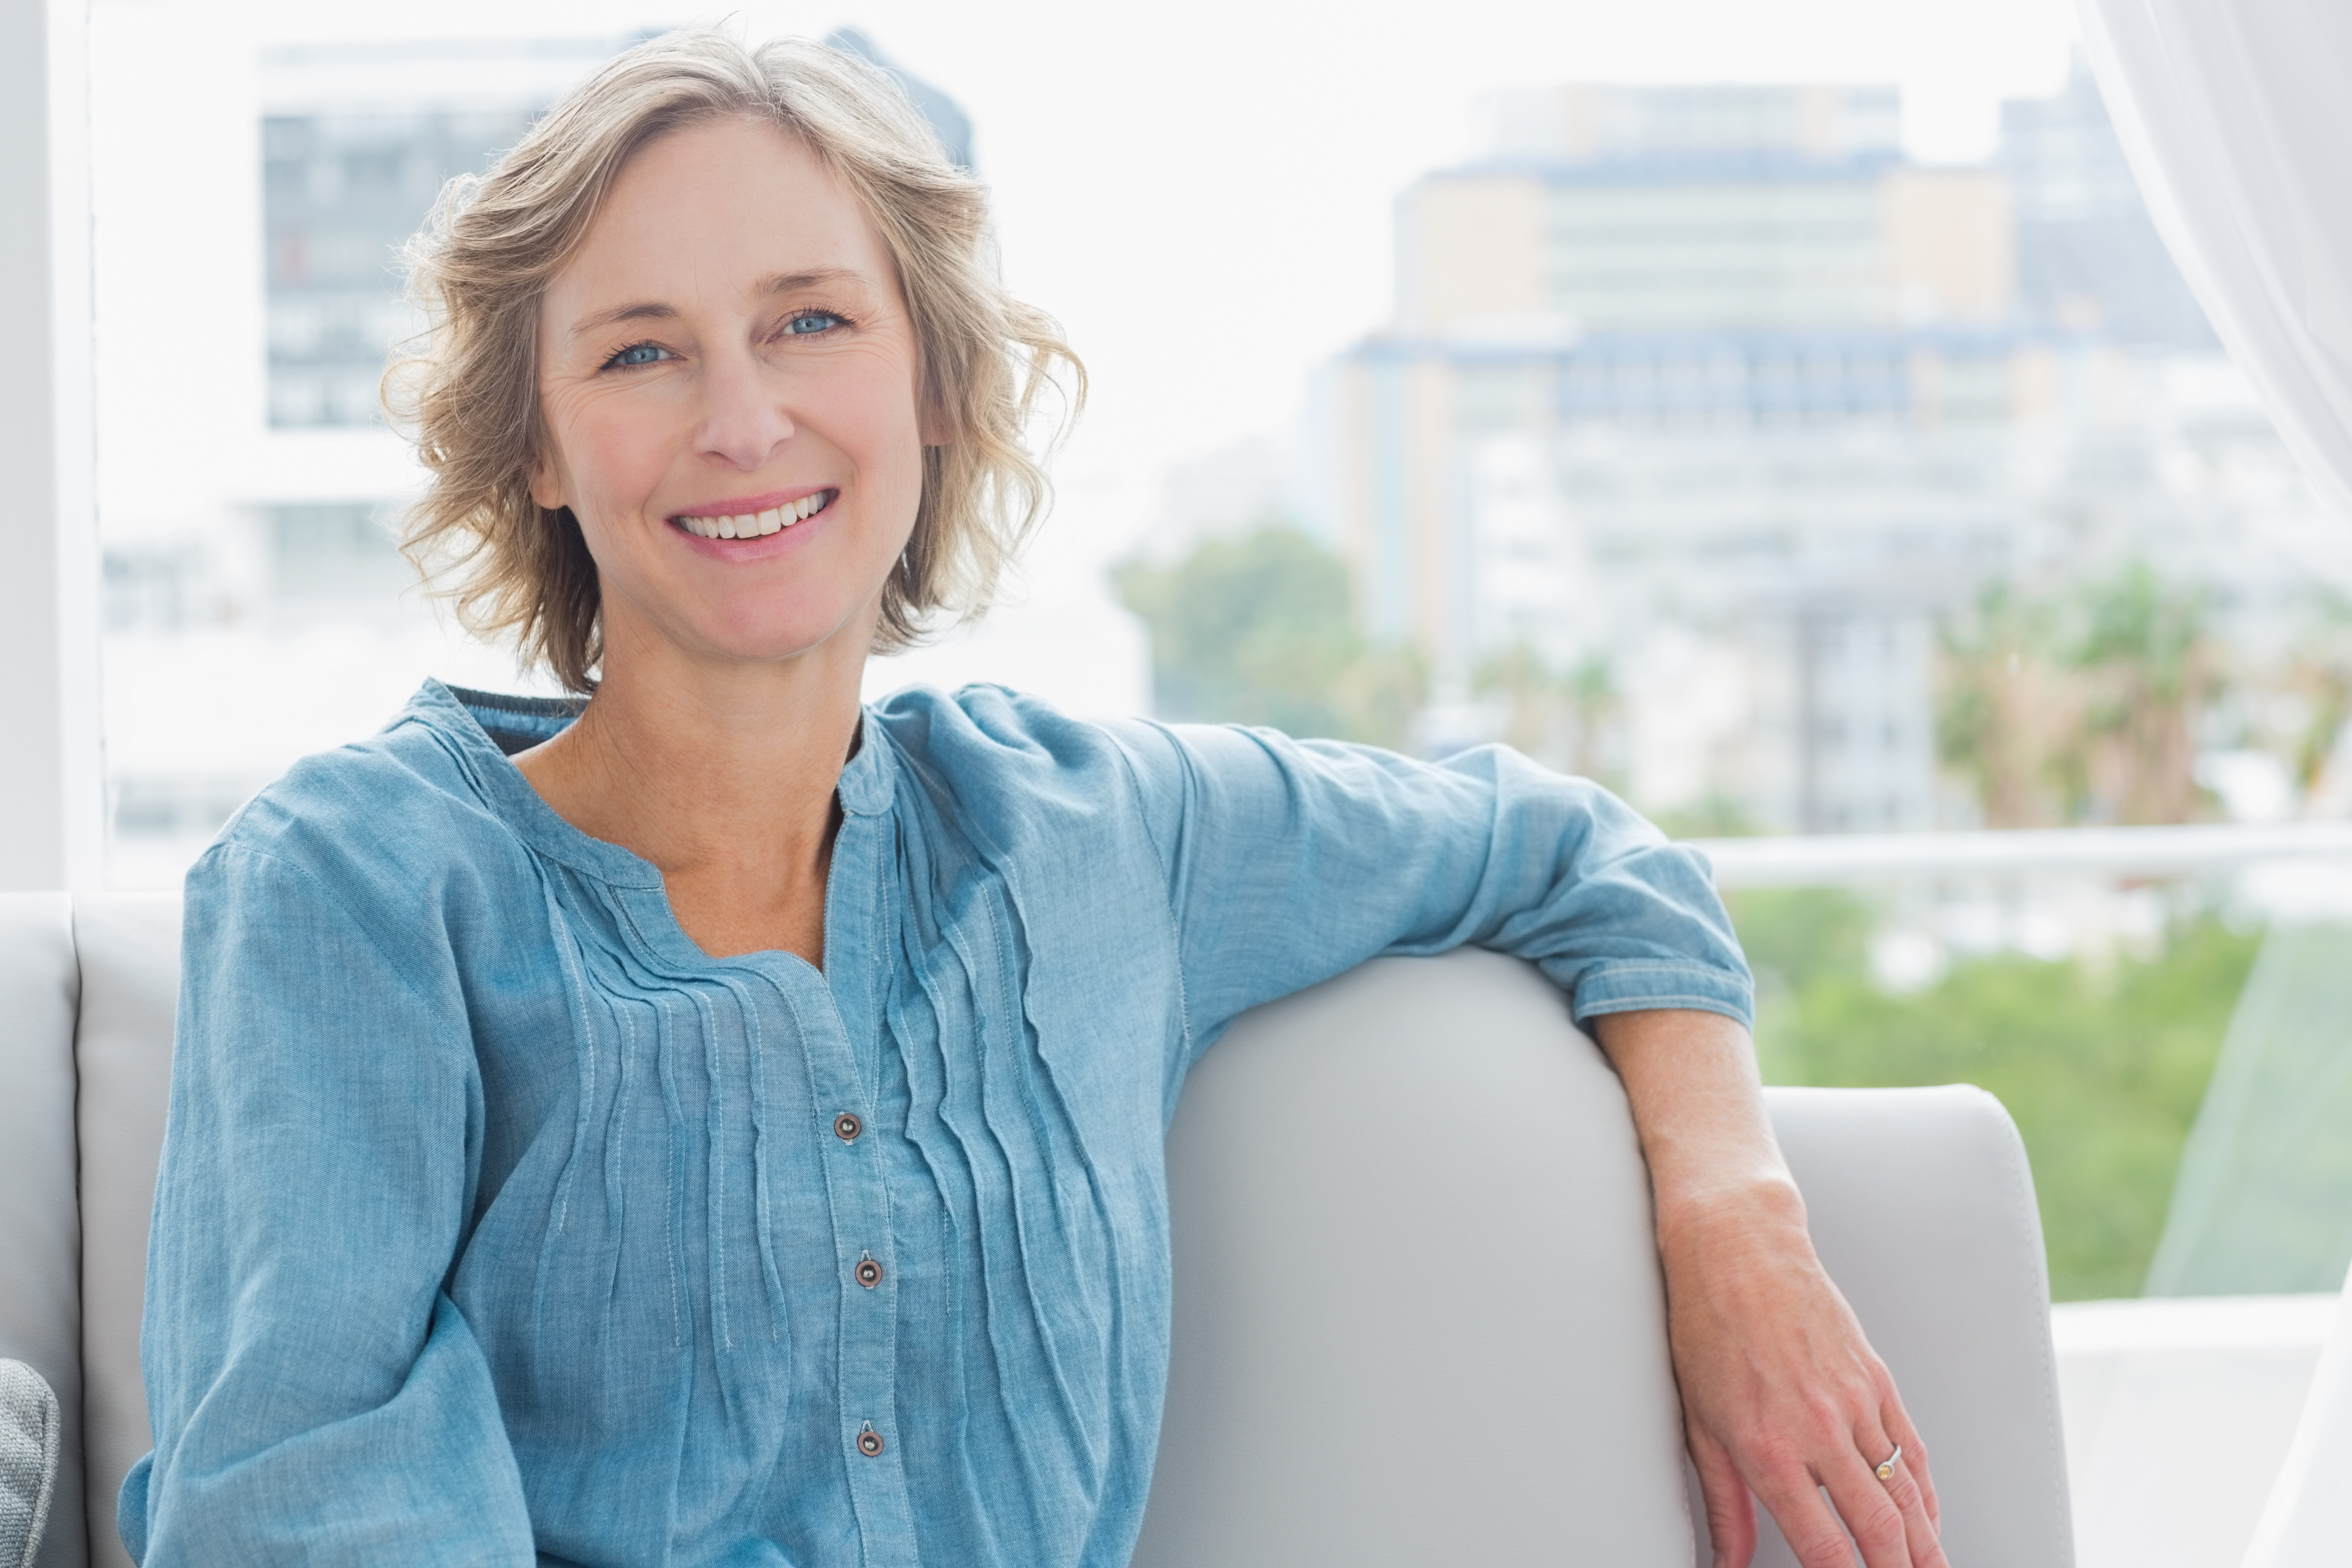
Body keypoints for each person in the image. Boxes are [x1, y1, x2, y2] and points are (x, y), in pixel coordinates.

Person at [123, 30, 1945, 1568]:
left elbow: (1583, 857)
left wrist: (1732, 1228)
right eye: (639, 349)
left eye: (812, 321)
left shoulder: (1092, 832)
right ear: (534, 442)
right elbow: (298, 1510)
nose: (742, 420)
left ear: (928, 385)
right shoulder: (354, 889)